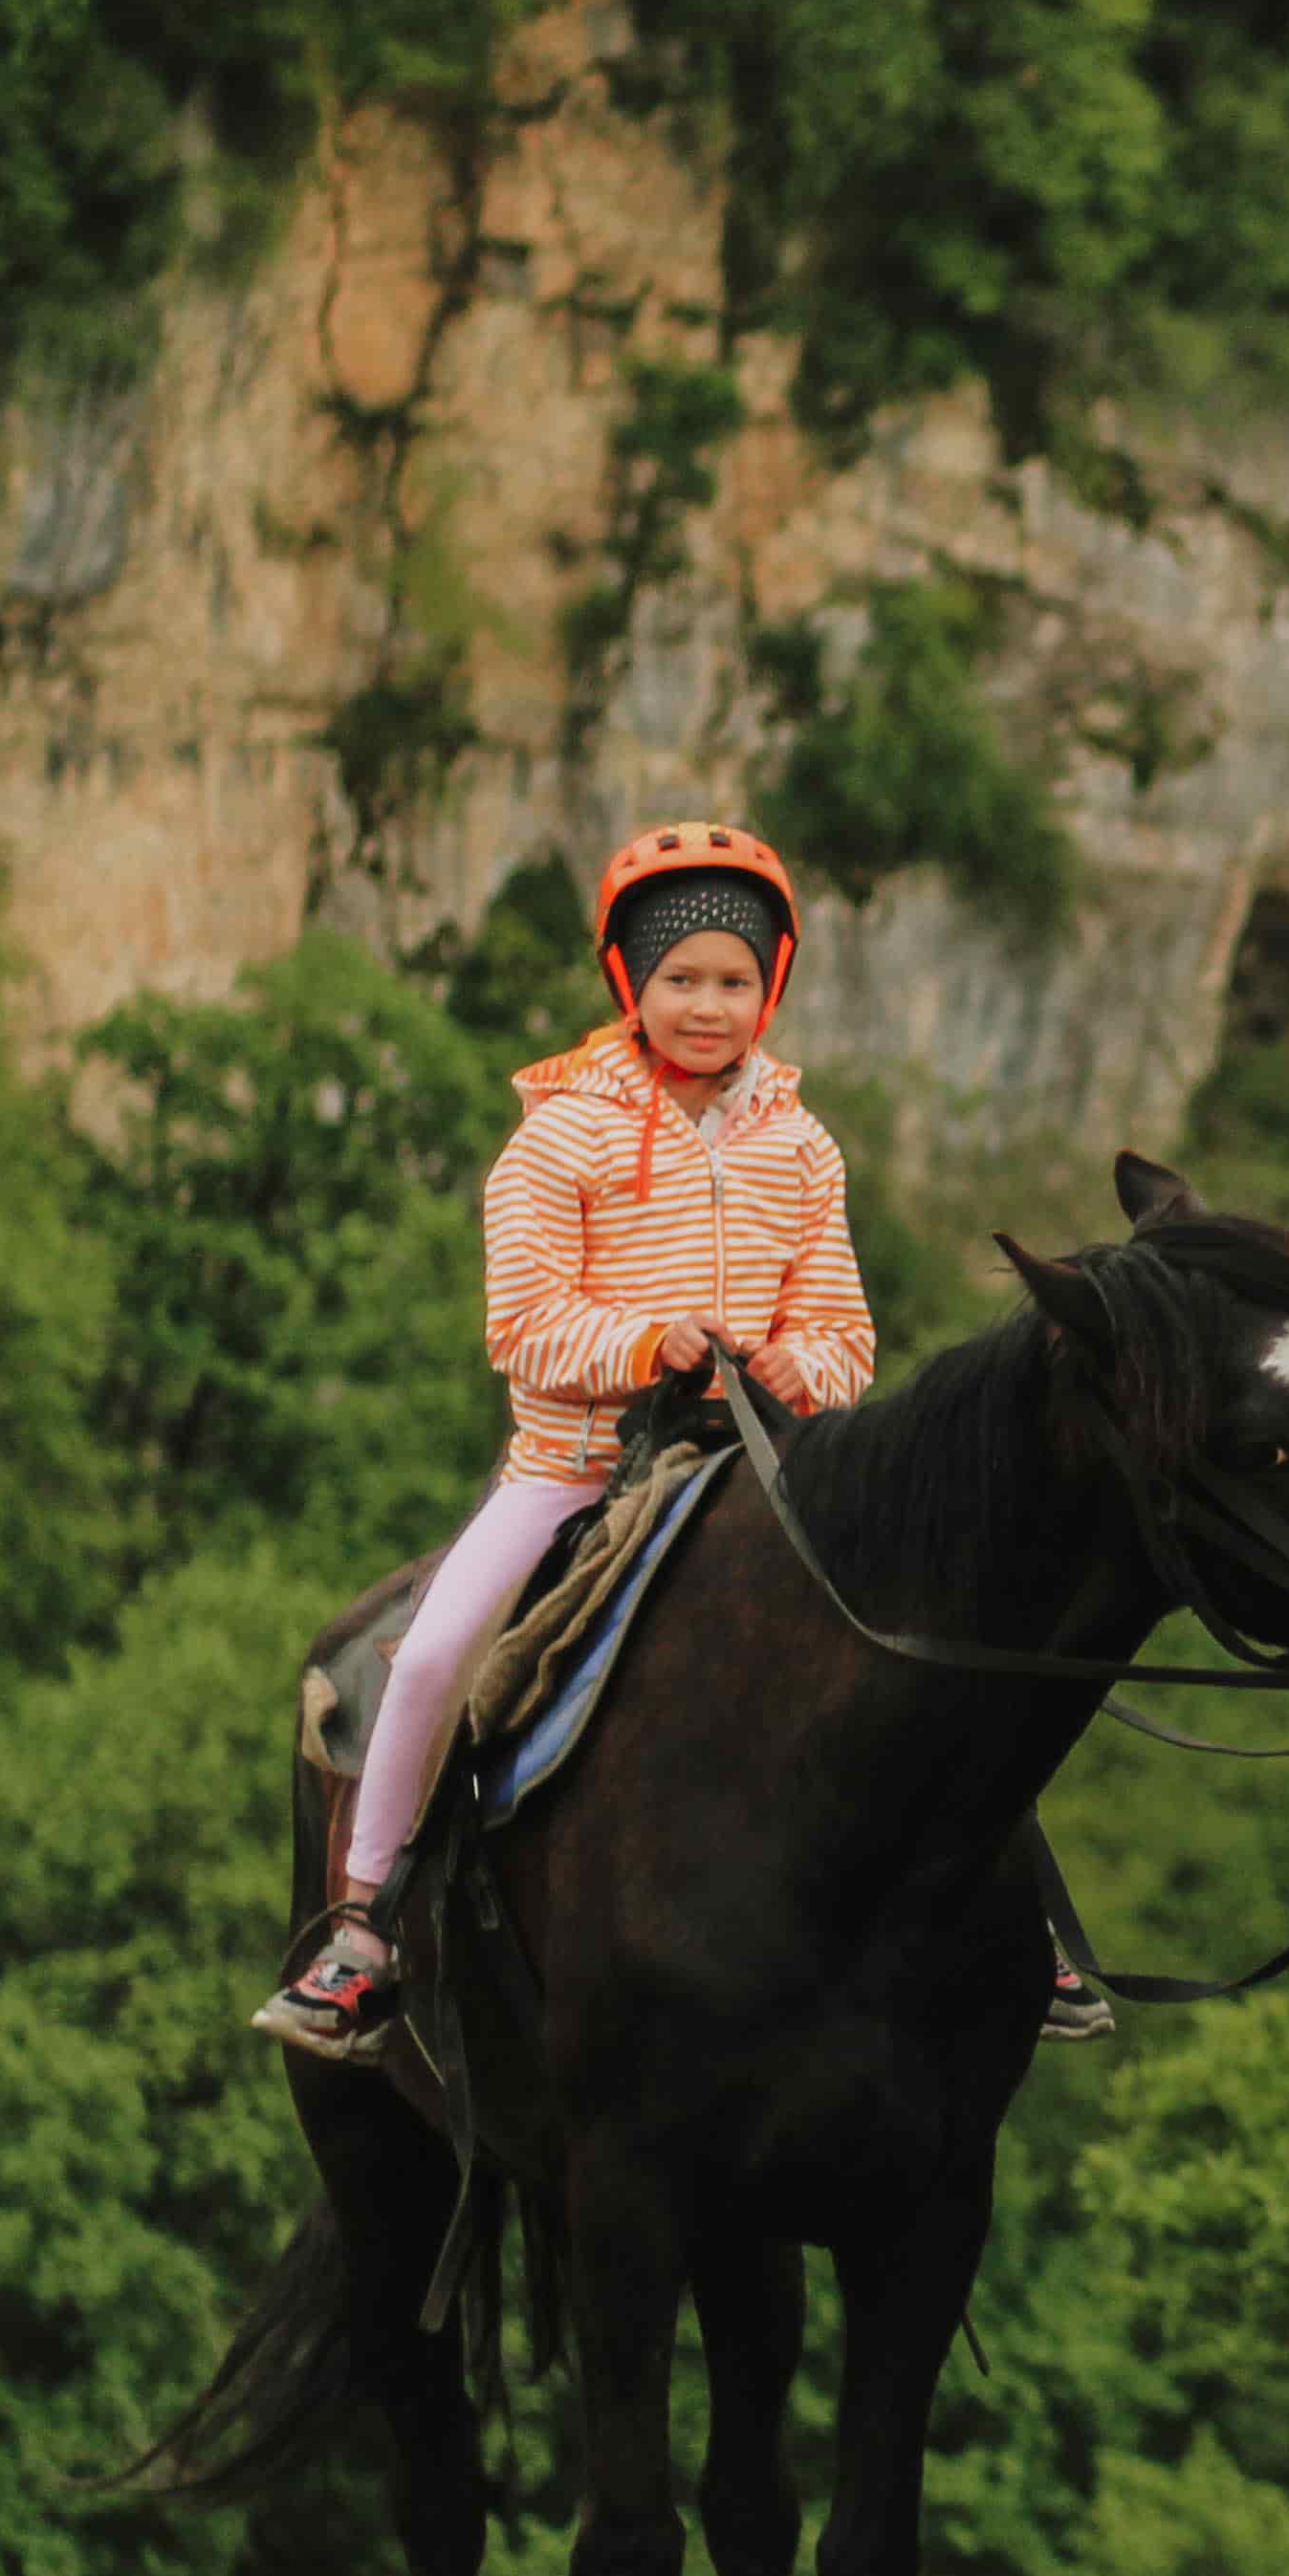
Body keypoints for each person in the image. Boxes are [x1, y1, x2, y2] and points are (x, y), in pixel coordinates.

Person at [257, 823, 907, 2059]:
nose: (707, 1006)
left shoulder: (801, 1147)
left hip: (758, 1478)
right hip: (579, 1474)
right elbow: (524, 1327)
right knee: (439, 1646)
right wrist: (651, 1343)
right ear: (630, 984)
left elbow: (844, 1334)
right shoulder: (561, 1136)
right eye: (681, 980)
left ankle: (1026, 1938)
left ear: (769, 987)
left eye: (732, 980)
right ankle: (365, 1928)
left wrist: (792, 1365)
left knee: (914, 1629)